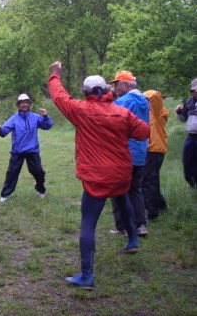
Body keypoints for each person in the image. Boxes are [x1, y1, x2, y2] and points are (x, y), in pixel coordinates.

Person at [47, 61, 149, 289]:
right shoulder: (122, 113)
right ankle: (132, 239)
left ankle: (86, 275)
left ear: (86, 93)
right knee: (122, 199)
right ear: (106, 90)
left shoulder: (80, 111)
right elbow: (144, 132)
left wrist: (54, 74)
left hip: (96, 178)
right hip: (121, 173)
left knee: (88, 223)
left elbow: (59, 96)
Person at [110, 70, 150, 237]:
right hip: (140, 152)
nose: (115, 87)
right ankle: (141, 225)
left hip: (123, 152)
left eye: (116, 83)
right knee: (135, 189)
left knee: (117, 189)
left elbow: (112, 126)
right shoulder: (144, 101)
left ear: (125, 84)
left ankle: (123, 227)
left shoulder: (122, 102)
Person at [0, 93, 53, 202]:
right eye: (22, 103)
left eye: (27, 102)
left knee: (39, 172)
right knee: (12, 173)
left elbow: (47, 126)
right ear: (18, 105)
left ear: (29, 104)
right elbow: (4, 131)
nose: (25, 104)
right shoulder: (14, 119)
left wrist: (45, 116)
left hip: (32, 150)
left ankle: (40, 190)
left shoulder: (35, 117)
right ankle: (5, 195)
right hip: (17, 151)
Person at [141, 90, 169, 220]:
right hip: (151, 150)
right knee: (152, 179)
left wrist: (140, 95)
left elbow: (155, 95)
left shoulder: (158, 112)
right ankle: (161, 205)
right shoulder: (149, 113)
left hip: (155, 149)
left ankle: (152, 212)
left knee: (147, 181)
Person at [175, 78, 197, 188]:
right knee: (187, 161)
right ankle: (192, 184)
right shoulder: (188, 101)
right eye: (194, 90)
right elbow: (183, 119)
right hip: (191, 137)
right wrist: (178, 112)